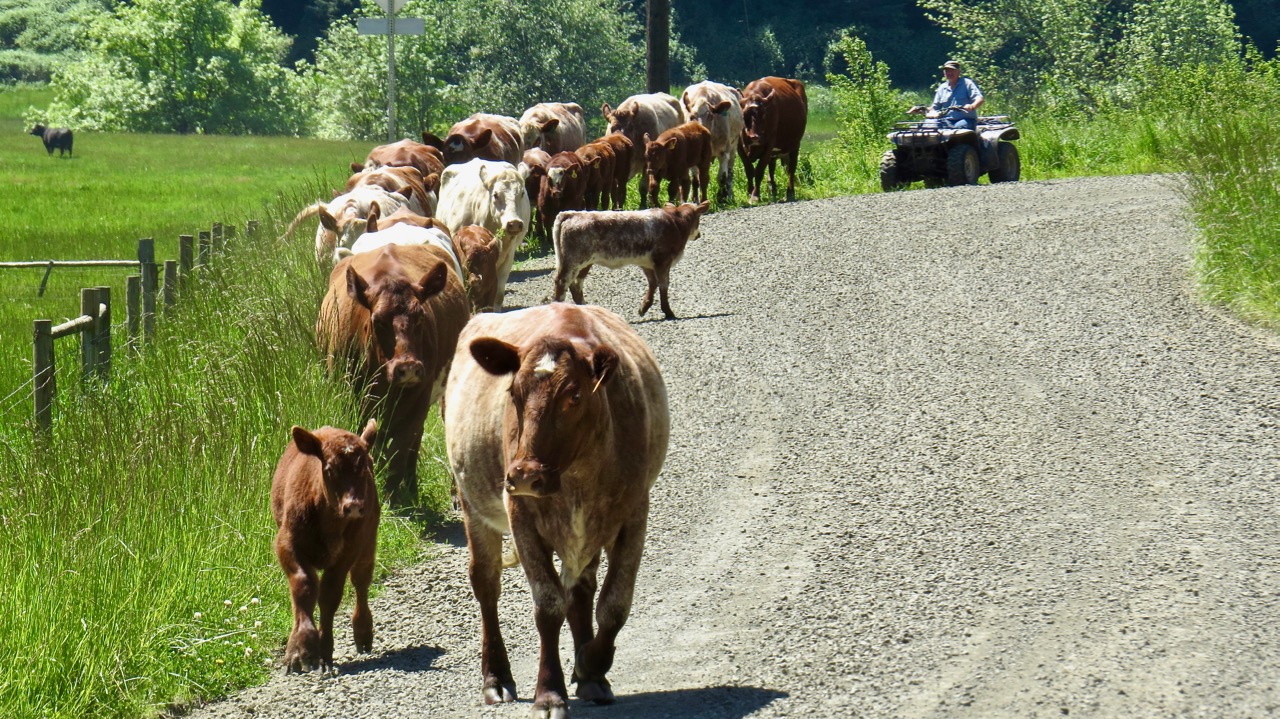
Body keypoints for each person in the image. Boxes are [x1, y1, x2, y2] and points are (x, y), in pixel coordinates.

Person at [908, 60, 985, 130]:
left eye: (952, 70)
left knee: (959, 131)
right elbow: (935, 108)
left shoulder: (967, 83)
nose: (949, 73)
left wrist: (972, 106)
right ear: (944, 73)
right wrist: (921, 110)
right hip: (946, 120)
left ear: (958, 72)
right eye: (947, 70)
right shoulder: (942, 88)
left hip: (965, 119)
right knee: (928, 125)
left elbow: (980, 99)